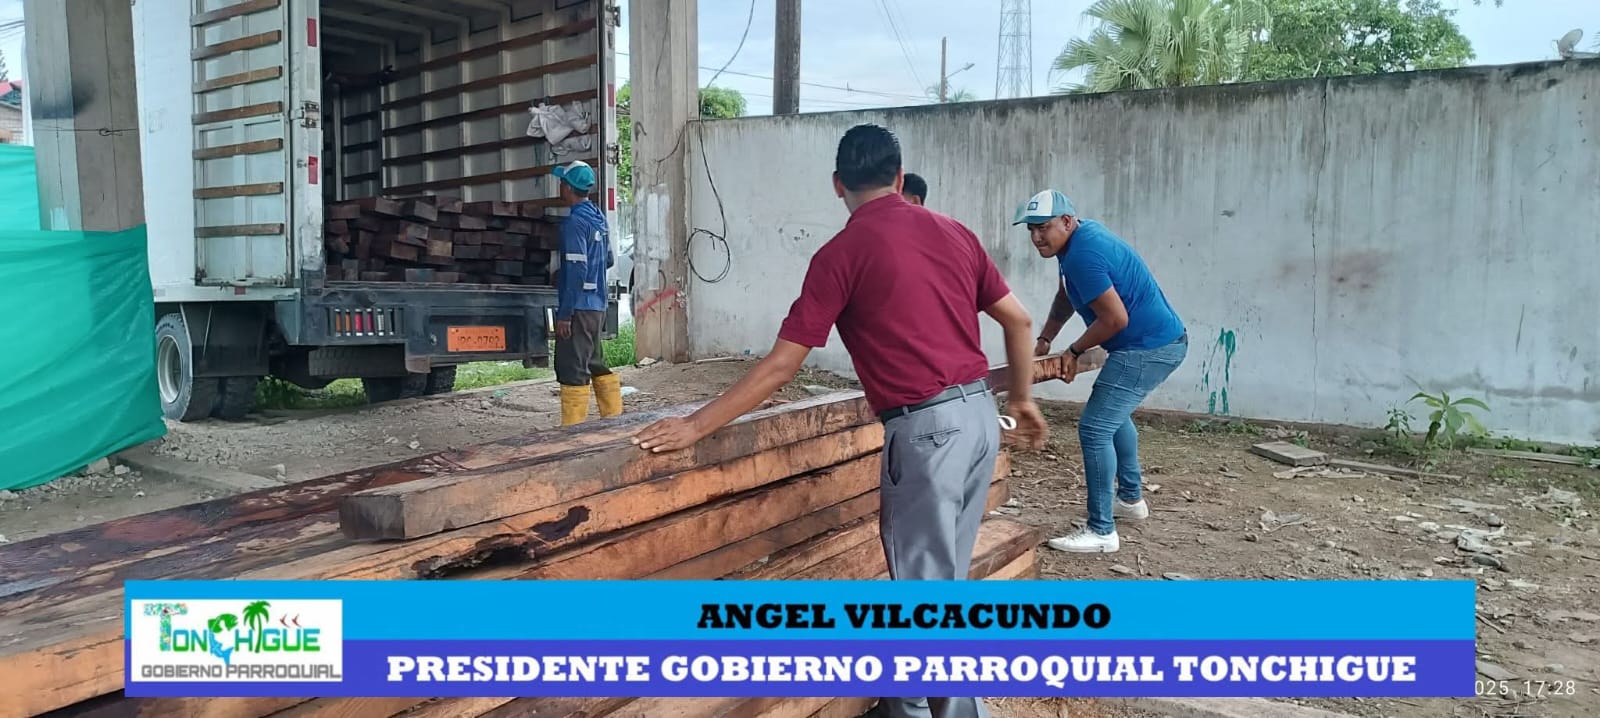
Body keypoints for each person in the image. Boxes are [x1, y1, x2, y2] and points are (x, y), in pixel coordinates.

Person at [633, 124, 1045, 718]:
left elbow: (782, 366)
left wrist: (694, 426)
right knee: (943, 580)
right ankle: (913, 702)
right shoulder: (955, 232)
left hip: (928, 432)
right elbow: (1020, 321)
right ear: (899, 178)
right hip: (979, 417)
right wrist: (1022, 399)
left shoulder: (841, 254)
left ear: (837, 185)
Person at [1016, 189, 1187, 554]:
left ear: (1067, 221)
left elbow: (1114, 319)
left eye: (1043, 227)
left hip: (1147, 348)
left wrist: (1074, 351)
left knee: (1094, 428)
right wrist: (1046, 338)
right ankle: (1130, 500)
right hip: (1155, 342)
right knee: (1113, 417)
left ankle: (1101, 531)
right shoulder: (1076, 244)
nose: (1036, 237)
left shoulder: (1083, 254)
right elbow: (1067, 296)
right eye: (1031, 229)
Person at [552, 160, 623, 426]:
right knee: (594, 361)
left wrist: (565, 314)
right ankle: (614, 421)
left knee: (572, 368)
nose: (560, 187)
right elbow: (609, 260)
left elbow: (577, 269)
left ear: (568, 188)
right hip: (597, 306)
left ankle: (573, 431)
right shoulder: (597, 217)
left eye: (562, 182)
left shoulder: (574, 222)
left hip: (579, 307)